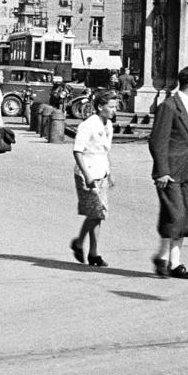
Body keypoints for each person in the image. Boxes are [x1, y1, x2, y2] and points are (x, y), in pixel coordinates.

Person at [148, 65, 188, 279]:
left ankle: (168, 260)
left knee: (182, 215)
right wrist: (162, 171)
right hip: (170, 172)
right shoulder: (169, 107)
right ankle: (169, 260)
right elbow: (157, 140)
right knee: (177, 215)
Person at [70, 90, 118, 267]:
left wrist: (109, 173)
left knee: (98, 214)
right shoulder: (88, 125)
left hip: (101, 173)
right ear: (100, 107)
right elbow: (77, 151)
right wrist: (87, 175)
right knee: (97, 212)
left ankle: (92, 252)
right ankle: (81, 243)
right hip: (87, 174)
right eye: (111, 106)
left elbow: (105, 152)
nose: (114, 110)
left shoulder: (108, 125)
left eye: (115, 106)